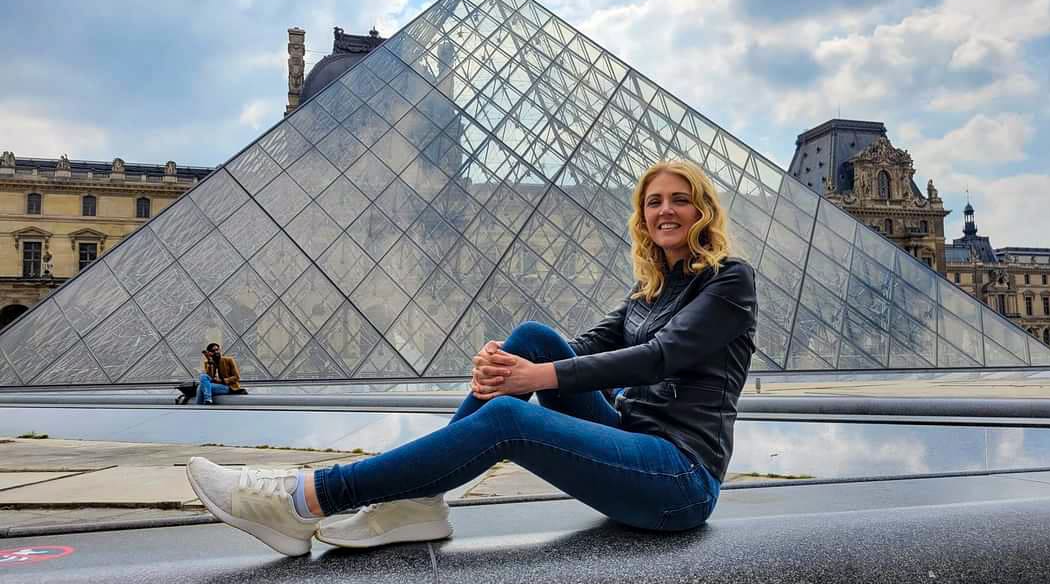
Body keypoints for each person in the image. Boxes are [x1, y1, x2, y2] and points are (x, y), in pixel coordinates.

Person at [186, 159, 758, 556]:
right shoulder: (647, 292)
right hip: (632, 441)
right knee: (532, 335)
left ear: (702, 210)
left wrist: (534, 379)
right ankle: (418, 504)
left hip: (679, 477)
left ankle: (306, 498)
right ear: (642, 216)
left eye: (679, 200)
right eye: (654, 201)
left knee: (511, 416)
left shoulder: (730, 282)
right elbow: (579, 350)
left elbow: (659, 358)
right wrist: (507, 363)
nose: (665, 211)